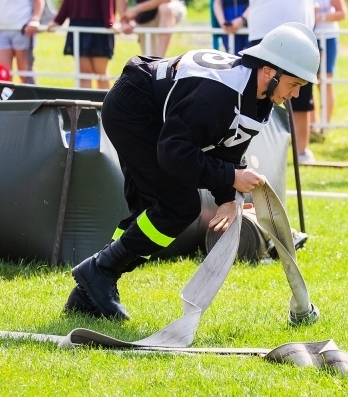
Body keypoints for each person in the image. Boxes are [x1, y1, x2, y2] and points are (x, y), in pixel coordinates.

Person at [64, 22, 321, 320]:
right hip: (132, 110)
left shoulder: (259, 96)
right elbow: (174, 154)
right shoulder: (217, 95)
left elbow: (228, 148)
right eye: (294, 84)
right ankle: (100, 272)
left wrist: (227, 197)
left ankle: (89, 290)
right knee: (178, 207)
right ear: (268, 71)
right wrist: (231, 177)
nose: (295, 94)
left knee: (151, 212)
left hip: (152, 113)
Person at [229, 0, 336, 164]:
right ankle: (250, 151)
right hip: (263, 42)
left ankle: (302, 152)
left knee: (301, 97)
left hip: (301, 41)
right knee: (254, 95)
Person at [311, 0, 347, 138]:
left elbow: (342, 13)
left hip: (327, 37)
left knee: (325, 81)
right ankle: (311, 126)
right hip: (307, 37)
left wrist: (321, 16)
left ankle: (325, 125)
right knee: (306, 82)